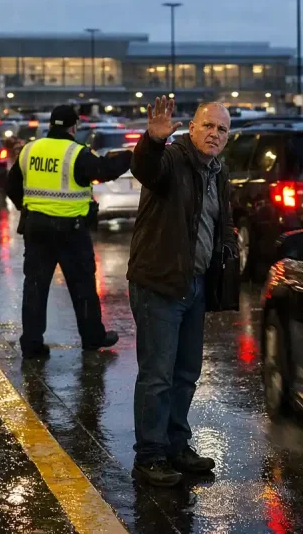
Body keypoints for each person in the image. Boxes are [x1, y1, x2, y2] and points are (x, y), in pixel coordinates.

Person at [126, 98, 239, 486]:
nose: (214, 134)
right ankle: (150, 456)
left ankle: (176, 444)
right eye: (208, 126)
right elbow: (145, 169)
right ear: (191, 128)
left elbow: (218, 225)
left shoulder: (217, 172)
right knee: (157, 375)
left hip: (194, 285)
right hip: (159, 283)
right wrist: (152, 141)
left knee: (186, 373)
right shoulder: (172, 160)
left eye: (221, 130)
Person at [6, 104, 131, 359]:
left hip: (36, 228)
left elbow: (11, 186)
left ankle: (32, 344)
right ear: (74, 126)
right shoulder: (76, 153)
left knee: (35, 288)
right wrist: (131, 156)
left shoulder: (30, 150)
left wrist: (27, 207)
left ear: (51, 124)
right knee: (83, 286)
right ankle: (93, 338)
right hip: (71, 231)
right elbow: (103, 171)